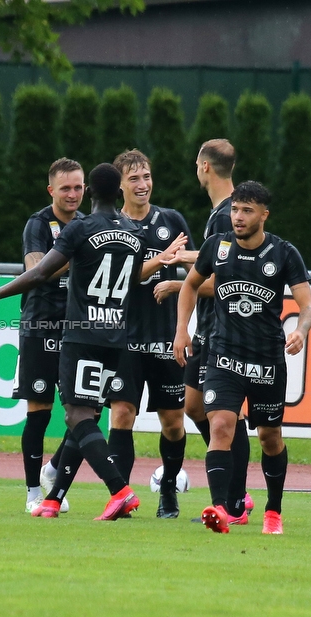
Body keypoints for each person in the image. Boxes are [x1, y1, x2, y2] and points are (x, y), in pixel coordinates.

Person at [0, 163, 183, 520]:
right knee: (83, 417)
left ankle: (120, 489)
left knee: (77, 414)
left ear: (89, 192)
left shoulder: (80, 229)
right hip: (117, 338)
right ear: (118, 193)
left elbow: (39, 272)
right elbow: (129, 281)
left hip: (81, 334)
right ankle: (53, 498)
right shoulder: (135, 232)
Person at [174, 181, 311, 535]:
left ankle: (273, 512)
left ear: (263, 215)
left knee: (270, 436)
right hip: (223, 355)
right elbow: (191, 284)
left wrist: (301, 330)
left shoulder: (284, 253)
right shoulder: (216, 247)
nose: (238, 217)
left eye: (247, 211)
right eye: (235, 209)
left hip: (267, 360)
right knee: (220, 425)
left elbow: (307, 305)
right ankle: (222, 510)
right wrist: (181, 329)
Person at [157, 139, 255, 525]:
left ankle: (237, 498)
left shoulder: (227, 215)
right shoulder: (222, 212)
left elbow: (227, 279)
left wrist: (183, 284)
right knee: (195, 407)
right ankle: (232, 489)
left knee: (223, 417)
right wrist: (185, 267)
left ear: (204, 168)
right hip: (208, 329)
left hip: (225, 332)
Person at [104, 149, 193, 519]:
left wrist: (185, 263)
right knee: (121, 414)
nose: (142, 185)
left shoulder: (171, 220)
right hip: (123, 339)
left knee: (173, 422)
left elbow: (197, 266)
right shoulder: (110, 226)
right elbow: (122, 276)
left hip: (165, 338)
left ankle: (168, 490)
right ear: (120, 184)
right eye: (134, 179)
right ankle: (121, 496)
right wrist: (163, 259)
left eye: (146, 177)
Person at [15, 158, 85, 513]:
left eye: (78, 187)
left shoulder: (90, 224)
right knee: (39, 412)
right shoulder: (39, 224)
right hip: (41, 325)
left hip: (82, 327)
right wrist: (77, 253)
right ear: (51, 191)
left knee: (85, 412)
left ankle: (54, 469)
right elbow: (35, 269)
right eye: (65, 188)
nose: (72, 194)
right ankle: (32, 492)